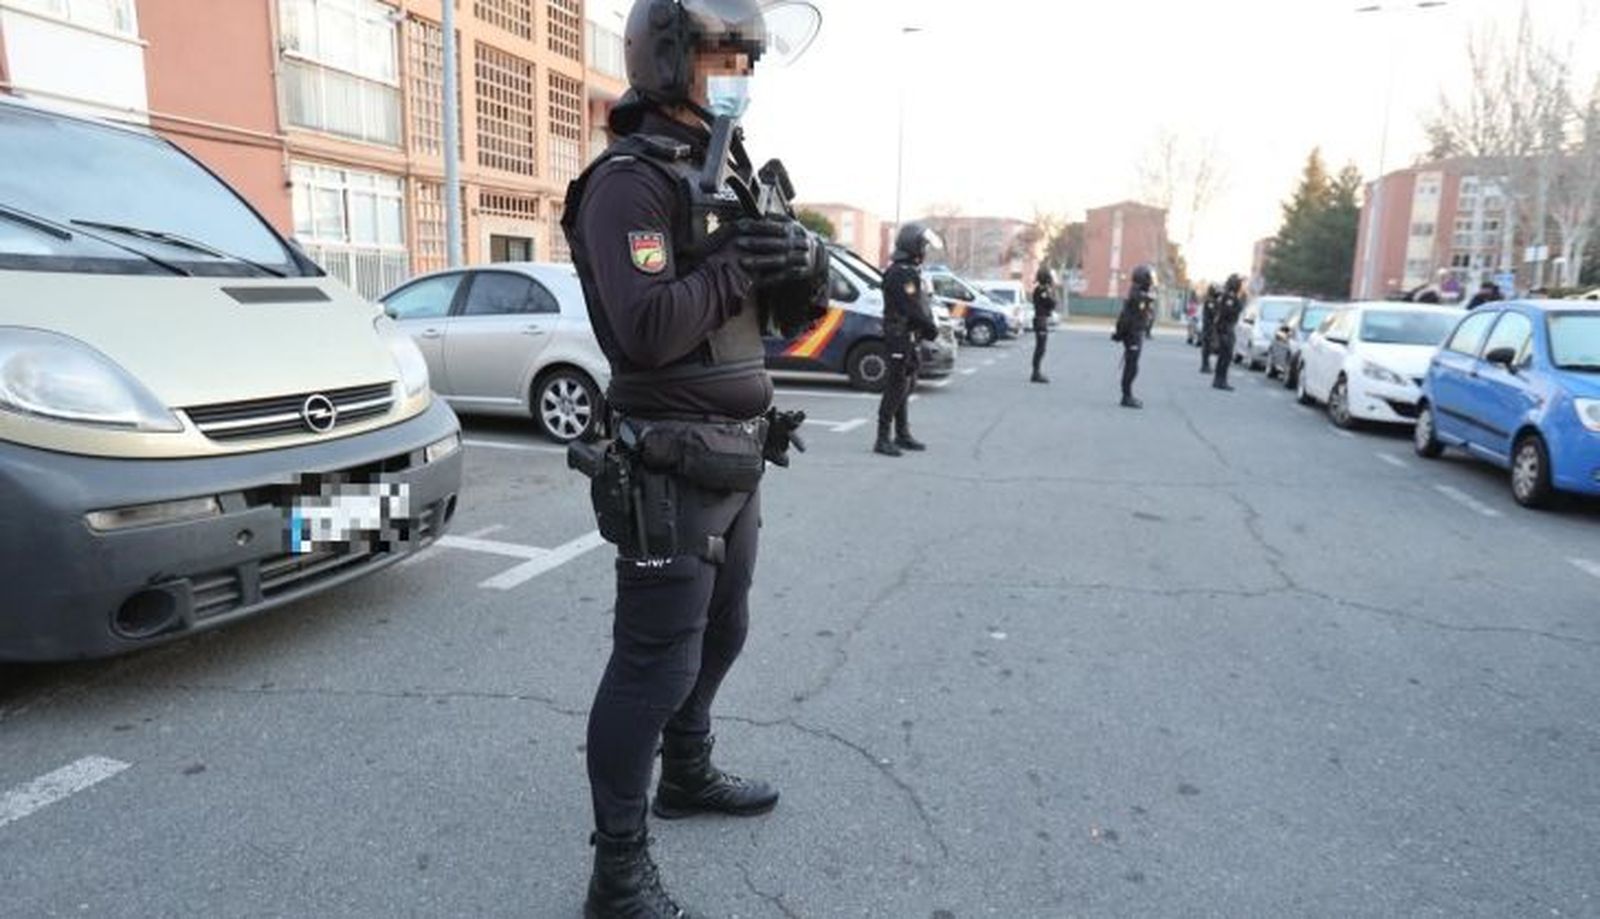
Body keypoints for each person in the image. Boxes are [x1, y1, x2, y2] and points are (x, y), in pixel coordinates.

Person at [559, 1, 826, 915]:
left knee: (726, 630)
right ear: (669, 57)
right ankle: (618, 875)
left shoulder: (729, 173)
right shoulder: (628, 183)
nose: (741, 69)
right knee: (653, 663)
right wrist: (739, 268)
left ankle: (688, 771)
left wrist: (802, 261)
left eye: (749, 56)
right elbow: (646, 330)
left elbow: (782, 326)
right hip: (671, 459)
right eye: (726, 52)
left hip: (737, 455)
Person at [874, 222, 942, 456]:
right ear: (913, 246)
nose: (924, 250)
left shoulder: (908, 271)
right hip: (898, 335)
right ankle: (882, 438)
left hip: (907, 335)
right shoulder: (901, 273)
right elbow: (911, 308)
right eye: (922, 245)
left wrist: (924, 328)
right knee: (896, 386)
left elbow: (917, 305)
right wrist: (930, 328)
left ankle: (902, 434)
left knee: (907, 383)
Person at [1112, 264, 1155, 409]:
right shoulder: (1138, 296)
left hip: (1136, 333)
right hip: (1132, 334)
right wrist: (1121, 334)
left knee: (1133, 366)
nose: (1151, 281)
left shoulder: (1139, 293)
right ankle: (1126, 396)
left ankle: (1128, 395)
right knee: (1131, 366)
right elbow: (1129, 317)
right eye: (1149, 278)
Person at [1212, 273, 1246, 392]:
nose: (1241, 285)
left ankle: (1220, 380)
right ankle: (1220, 380)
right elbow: (1227, 312)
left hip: (1228, 328)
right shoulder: (1230, 297)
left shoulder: (1231, 296)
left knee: (1225, 356)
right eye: (1239, 283)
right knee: (1225, 356)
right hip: (1226, 329)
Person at [1030, 266, 1058, 383]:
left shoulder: (1040, 289)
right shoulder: (1042, 291)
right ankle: (1036, 373)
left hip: (1040, 320)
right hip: (1041, 321)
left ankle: (1036, 372)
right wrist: (1051, 292)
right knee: (1040, 348)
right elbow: (1052, 303)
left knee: (1041, 348)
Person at [1199, 283, 1220, 374]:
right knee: (1207, 347)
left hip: (1210, 327)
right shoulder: (1210, 301)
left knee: (1209, 347)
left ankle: (1206, 365)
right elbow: (1213, 313)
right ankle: (1204, 365)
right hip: (1208, 327)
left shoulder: (1213, 301)